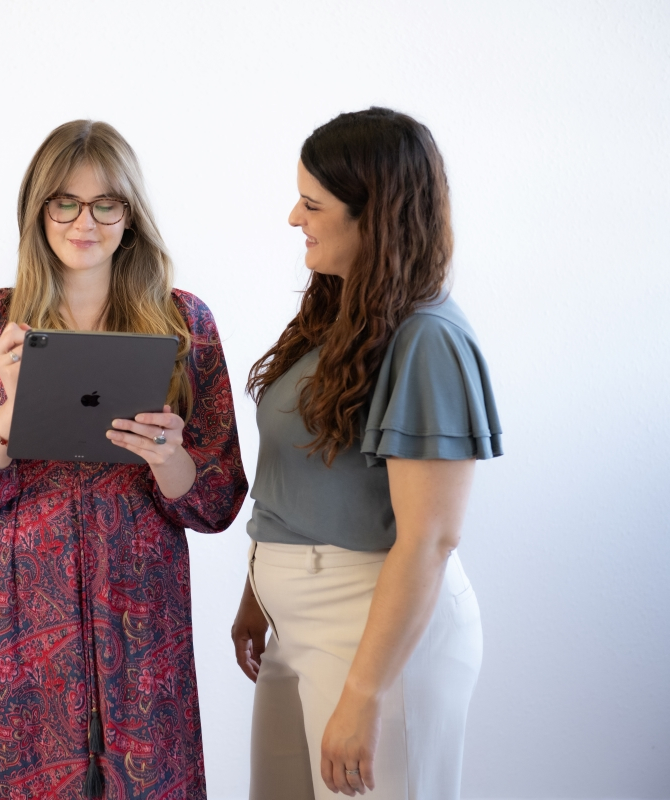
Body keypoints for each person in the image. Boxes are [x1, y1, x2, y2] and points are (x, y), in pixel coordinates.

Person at [0, 120, 248, 799]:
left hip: (139, 622)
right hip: (7, 625)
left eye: (106, 203)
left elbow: (218, 501)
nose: (84, 221)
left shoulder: (184, 326)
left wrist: (168, 457)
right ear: (38, 210)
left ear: (131, 214)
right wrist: (6, 418)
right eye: (64, 202)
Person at [231, 108, 502, 799]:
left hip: (373, 638)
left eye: (314, 204)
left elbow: (431, 540)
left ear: (373, 217)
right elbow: (294, 478)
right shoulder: (342, 313)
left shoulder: (428, 341)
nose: (295, 217)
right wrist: (257, 595)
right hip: (297, 627)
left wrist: (364, 696)